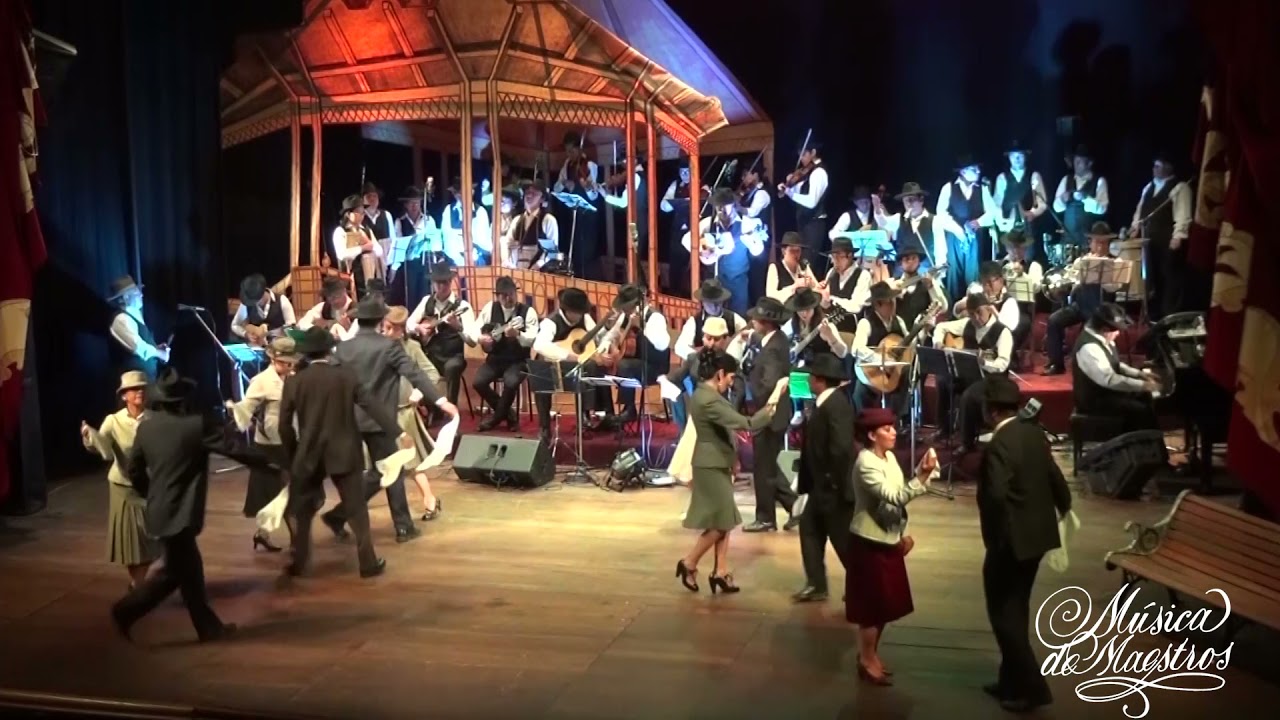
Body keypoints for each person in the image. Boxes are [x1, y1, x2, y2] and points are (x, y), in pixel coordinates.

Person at [110, 369, 258, 643]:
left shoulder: (146, 428)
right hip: (179, 514)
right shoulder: (194, 426)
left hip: (160, 509)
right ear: (182, 400)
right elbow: (234, 450)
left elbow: (134, 470)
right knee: (174, 574)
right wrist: (271, 462)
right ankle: (125, 611)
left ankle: (208, 628)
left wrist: (150, 493)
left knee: (188, 572)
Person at [323, 297, 457, 543]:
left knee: (376, 472)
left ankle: (344, 516)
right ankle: (399, 526)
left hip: (349, 420)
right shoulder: (389, 347)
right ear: (379, 320)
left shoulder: (343, 348)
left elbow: (329, 380)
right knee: (388, 471)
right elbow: (415, 374)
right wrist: (440, 401)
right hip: (381, 420)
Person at [279, 328, 406, 579]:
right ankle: (368, 562)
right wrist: (398, 432)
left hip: (309, 452)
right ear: (329, 350)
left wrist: (293, 453)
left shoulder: (295, 381)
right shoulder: (346, 376)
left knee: (302, 510)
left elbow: (284, 425)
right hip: (344, 450)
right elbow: (371, 405)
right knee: (356, 508)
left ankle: (300, 563)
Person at [977, 376, 1072, 713]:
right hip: (1037, 538)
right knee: (1017, 609)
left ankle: (1034, 689)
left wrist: (996, 542)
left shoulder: (999, 445)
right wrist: (1064, 507)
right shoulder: (1033, 432)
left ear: (992, 412)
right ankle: (1010, 682)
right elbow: (1055, 478)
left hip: (1011, 542)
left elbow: (995, 497)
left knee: (1004, 615)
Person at [675, 349, 782, 594]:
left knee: (724, 519)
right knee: (721, 522)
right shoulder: (708, 399)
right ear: (720, 373)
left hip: (717, 461)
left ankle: (721, 571)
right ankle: (689, 562)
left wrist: (733, 459)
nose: (731, 383)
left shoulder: (707, 395)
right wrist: (774, 400)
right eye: (731, 378)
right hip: (710, 465)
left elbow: (724, 431)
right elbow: (747, 423)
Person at [847, 407, 938, 685]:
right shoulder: (866, 463)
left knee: (885, 605)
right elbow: (894, 496)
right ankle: (866, 658)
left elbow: (897, 501)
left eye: (893, 427)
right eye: (887, 429)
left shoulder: (888, 457)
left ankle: (870, 654)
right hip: (869, 542)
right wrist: (922, 476)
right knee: (871, 608)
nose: (894, 432)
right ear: (871, 435)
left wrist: (903, 533)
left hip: (888, 538)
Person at [81, 371, 158, 589]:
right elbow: (102, 446)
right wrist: (89, 436)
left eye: (142, 388)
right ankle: (137, 584)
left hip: (149, 485)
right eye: (133, 389)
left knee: (154, 538)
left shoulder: (154, 419)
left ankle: (139, 584)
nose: (139, 391)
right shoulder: (113, 421)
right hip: (123, 487)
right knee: (131, 542)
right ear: (124, 396)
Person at [792, 353, 857, 603]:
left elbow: (841, 448)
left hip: (833, 488)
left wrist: (832, 480)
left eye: (811, 376)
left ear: (819, 379)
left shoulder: (836, 405)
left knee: (842, 539)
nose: (808, 379)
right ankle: (816, 584)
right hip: (821, 487)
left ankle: (863, 586)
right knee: (810, 529)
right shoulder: (824, 403)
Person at [226, 337, 300, 552]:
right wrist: (238, 411)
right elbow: (247, 407)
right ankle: (297, 540)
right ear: (274, 359)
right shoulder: (261, 381)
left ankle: (263, 534)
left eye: (291, 362)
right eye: (285, 362)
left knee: (283, 491)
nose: (290, 365)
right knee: (284, 490)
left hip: (289, 440)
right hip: (270, 445)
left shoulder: (293, 379)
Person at [742, 297, 799, 533]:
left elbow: (769, 384)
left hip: (769, 413)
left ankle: (766, 518)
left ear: (766, 322)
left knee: (764, 469)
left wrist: (750, 387)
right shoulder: (775, 340)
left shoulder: (774, 347)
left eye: (757, 318)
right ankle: (796, 508)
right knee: (768, 467)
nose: (753, 321)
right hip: (773, 413)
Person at [381, 306, 443, 520]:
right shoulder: (378, 348)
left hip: (404, 412)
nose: (386, 332)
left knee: (411, 461)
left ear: (400, 330)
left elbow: (432, 373)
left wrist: (419, 392)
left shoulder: (411, 347)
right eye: (384, 327)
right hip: (381, 413)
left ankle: (429, 499)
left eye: (391, 328)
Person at [1042, 222, 1126, 375]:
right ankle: (1056, 363)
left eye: (1103, 243)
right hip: (1080, 307)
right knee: (1054, 320)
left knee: (1084, 339)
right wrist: (1078, 277)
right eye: (1097, 242)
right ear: (1090, 243)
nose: (1100, 247)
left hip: (1103, 310)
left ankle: (1091, 367)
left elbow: (1114, 287)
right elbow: (1072, 285)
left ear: (1108, 243)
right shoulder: (1081, 261)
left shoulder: (1116, 262)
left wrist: (1100, 272)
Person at [932, 294, 1014, 450]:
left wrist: (984, 363)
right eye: (971, 314)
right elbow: (941, 327)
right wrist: (937, 343)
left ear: (989, 309)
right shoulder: (967, 324)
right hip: (968, 374)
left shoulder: (1002, 332)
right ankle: (944, 428)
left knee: (968, 395)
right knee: (943, 380)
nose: (976, 317)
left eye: (979, 312)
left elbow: (1002, 364)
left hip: (991, 380)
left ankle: (966, 442)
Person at [1072, 304, 1161, 432]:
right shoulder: (1090, 348)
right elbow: (1109, 379)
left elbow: (1115, 364)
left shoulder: (1102, 336)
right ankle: (1137, 441)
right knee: (1141, 410)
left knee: (1144, 398)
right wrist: (1144, 385)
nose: (1118, 333)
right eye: (1116, 330)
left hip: (1105, 392)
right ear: (1104, 329)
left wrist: (1139, 374)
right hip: (1094, 400)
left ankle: (1146, 439)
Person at [681, 188, 767, 317]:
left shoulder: (746, 224)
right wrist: (703, 251)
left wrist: (750, 239)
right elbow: (685, 239)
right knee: (715, 317)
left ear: (733, 204)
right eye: (718, 206)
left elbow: (757, 250)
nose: (720, 209)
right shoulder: (708, 223)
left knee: (738, 316)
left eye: (724, 205)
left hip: (738, 280)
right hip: (716, 281)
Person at [1128, 152, 1192, 320]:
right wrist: (1135, 227)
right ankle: (1152, 317)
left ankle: (1168, 317)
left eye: (1158, 166)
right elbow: (1140, 212)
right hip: (1149, 242)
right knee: (1151, 280)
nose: (1154, 169)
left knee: (1169, 280)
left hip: (1167, 241)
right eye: (1154, 166)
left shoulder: (1180, 188)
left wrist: (1178, 236)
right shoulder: (1148, 187)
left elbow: (1183, 215)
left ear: (1168, 167)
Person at [596, 283, 669, 428]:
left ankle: (629, 409)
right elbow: (611, 335)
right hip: (634, 364)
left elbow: (662, 345)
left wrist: (642, 326)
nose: (624, 310)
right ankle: (608, 413)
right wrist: (604, 350)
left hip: (654, 366)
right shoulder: (626, 317)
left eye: (626, 307)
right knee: (599, 366)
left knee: (624, 365)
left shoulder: (655, 317)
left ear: (636, 304)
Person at [472, 275, 538, 431]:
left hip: (519, 361)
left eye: (511, 294)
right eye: (504, 295)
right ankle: (509, 415)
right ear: (497, 296)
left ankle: (495, 419)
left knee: (511, 382)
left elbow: (533, 339)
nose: (508, 298)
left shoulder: (528, 312)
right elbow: (475, 328)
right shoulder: (490, 308)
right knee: (478, 382)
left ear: (516, 293)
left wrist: (518, 335)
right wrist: (481, 338)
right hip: (495, 359)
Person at [407, 262, 477, 409]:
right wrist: (418, 328)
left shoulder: (462, 306)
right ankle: (429, 408)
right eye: (437, 283)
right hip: (430, 354)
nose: (440, 287)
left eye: (444, 282)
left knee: (452, 368)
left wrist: (458, 327)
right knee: (412, 365)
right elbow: (408, 324)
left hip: (453, 356)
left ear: (450, 282)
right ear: (433, 283)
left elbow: (472, 341)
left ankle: (451, 409)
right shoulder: (426, 301)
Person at [936, 156, 998, 301]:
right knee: (954, 273)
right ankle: (954, 307)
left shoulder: (982, 189)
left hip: (974, 238)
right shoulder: (949, 188)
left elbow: (993, 212)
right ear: (963, 172)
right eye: (973, 169)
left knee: (973, 273)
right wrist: (958, 230)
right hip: (954, 238)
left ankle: (974, 304)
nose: (978, 171)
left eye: (978, 168)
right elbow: (941, 213)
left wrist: (979, 222)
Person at [851, 282, 914, 416]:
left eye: (893, 301)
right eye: (888, 302)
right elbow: (856, 349)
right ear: (877, 304)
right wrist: (881, 360)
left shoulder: (899, 321)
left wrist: (921, 330)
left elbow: (910, 345)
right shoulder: (866, 323)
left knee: (907, 372)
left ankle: (898, 418)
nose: (893, 305)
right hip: (872, 375)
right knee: (860, 396)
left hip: (894, 375)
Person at [554, 131, 602, 279]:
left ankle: (587, 279)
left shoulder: (590, 165)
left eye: (572, 150)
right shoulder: (567, 164)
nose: (569, 154)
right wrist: (564, 183)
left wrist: (585, 187)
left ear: (579, 149)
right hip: (573, 213)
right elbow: (557, 188)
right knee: (574, 248)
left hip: (588, 216)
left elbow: (594, 195)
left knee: (587, 251)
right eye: (567, 151)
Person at [778, 139, 830, 272]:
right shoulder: (806, 174)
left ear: (813, 152)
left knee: (808, 264)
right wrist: (789, 186)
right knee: (801, 264)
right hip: (804, 224)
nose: (801, 158)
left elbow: (811, 202)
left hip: (814, 224)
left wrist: (790, 193)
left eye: (803, 154)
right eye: (799, 155)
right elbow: (799, 196)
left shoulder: (819, 172)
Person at [992, 141, 1048, 262]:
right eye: (1013, 156)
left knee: (1028, 260)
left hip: (1028, 228)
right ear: (1009, 158)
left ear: (1025, 157)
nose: (1016, 159)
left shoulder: (1034, 176)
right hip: (1009, 228)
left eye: (1020, 156)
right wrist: (1002, 222)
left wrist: (1033, 213)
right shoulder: (1002, 178)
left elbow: (1042, 203)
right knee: (1010, 261)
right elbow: (996, 204)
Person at [874, 182, 946, 274]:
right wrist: (877, 210)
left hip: (925, 274)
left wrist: (939, 274)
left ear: (921, 200)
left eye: (912, 200)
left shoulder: (935, 221)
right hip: (902, 274)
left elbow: (941, 251)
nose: (908, 204)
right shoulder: (898, 219)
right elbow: (884, 223)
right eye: (905, 201)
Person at [106, 275, 168, 380]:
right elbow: (139, 348)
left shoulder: (134, 315)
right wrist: (160, 353)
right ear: (126, 297)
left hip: (145, 379)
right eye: (136, 292)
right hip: (132, 381)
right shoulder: (121, 319)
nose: (141, 295)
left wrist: (155, 347)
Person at [674, 279, 747, 362]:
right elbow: (680, 347)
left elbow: (745, 342)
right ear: (703, 302)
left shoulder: (735, 319)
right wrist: (700, 356)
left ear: (722, 301)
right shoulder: (694, 322)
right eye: (710, 303)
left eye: (717, 302)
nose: (714, 307)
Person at [1052, 145, 1110, 249]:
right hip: (1068, 241)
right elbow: (1056, 207)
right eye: (1075, 161)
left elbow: (1102, 209)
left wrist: (1086, 199)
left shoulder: (1099, 181)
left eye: (1079, 162)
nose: (1076, 164)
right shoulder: (1066, 180)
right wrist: (1062, 199)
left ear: (1089, 163)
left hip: (1090, 241)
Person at [394, 184, 440, 307]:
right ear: (406, 205)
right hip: (408, 265)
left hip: (426, 262)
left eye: (417, 202)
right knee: (411, 295)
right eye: (411, 203)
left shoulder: (428, 220)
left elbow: (436, 243)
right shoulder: (400, 222)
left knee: (426, 294)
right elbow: (399, 245)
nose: (414, 206)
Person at [331, 194, 384, 295]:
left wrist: (370, 245)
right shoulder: (341, 231)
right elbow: (341, 254)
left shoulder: (366, 230)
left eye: (363, 212)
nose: (362, 215)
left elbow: (379, 251)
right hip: (352, 278)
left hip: (369, 275)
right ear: (348, 214)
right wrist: (362, 248)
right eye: (358, 212)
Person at [784, 287, 850, 365]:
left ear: (814, 308)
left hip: (824, 366)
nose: (804, 313)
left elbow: (842, 353)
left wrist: (831, 336)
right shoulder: (793, 323)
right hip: (803, 366)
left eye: (808, 309)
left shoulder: (826, 325)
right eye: (800, 310)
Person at [503, 181, 560, 270]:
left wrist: (537, 265)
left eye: (534, 193)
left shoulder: (548, 220)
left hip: (539, 273)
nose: (529, 196)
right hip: (516, 270)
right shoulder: (517, 220)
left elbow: (552, 252)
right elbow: (506, 243)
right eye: (527, 193)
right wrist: (507, 261)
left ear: (542, 199)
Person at [230, 273, 296, 345]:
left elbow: (292, 326)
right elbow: (235, 325)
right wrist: (245, 334)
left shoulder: (282, 300)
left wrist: (279, 331)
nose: (254, 304)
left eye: (256, 300)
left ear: (263, 293)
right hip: (257, 346)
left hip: (279, 347)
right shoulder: (247, 303)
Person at [441, 178, 493, 266]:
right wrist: (459, 259)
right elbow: (447, 239)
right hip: (454, 260)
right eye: (457, 192)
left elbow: (485, 242)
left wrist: (472, 255)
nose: (460, 195)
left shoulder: (480, 211)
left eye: (463, 192)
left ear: (472, 192)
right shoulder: (448, 210)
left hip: (476, 258)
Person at [297, 276, 355, 341]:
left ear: (344, 291)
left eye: (337, 296)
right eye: (330, 298)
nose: (335, 301)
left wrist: (348, 329)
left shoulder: (355, 310)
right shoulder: (324, 307)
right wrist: (321, 333)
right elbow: (302, 323)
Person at [766, 231, 817, 302]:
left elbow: (816, 287)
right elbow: (770, 297)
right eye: (792, 251)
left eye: (798, 251)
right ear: (784, 251)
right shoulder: (775, 267)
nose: (795, 254)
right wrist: (794, 287)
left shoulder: (803, 266)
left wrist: (812, 285)